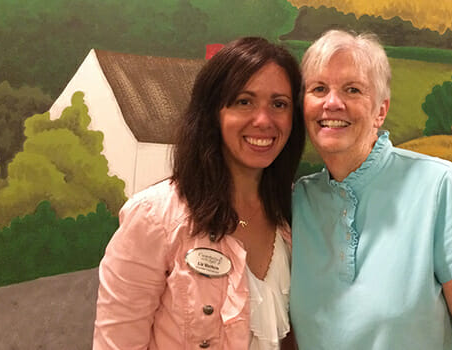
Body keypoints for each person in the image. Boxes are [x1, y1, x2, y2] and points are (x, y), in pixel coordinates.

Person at [289, 30, 452, 349]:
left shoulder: (440, 188)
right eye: (319, 89)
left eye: (353, 89)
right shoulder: (297, 202)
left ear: (381, 110)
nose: (333, 103)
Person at [93, 37, 304, 350]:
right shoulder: (153, 218)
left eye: (279, 104)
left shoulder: (294, 213)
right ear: (212, 113)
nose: (264, 120)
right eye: (244, 101)